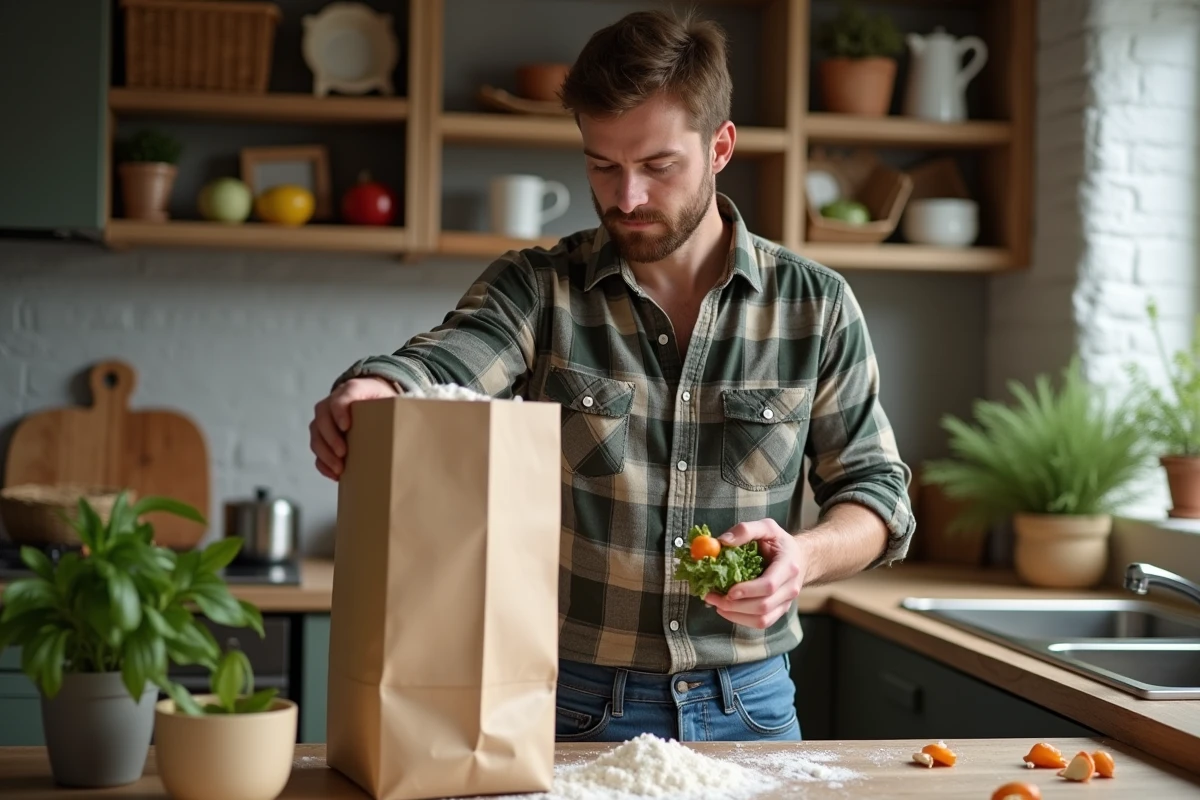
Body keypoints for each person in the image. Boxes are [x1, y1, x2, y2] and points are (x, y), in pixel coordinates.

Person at [309, 9, 915, 743]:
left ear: (720, 147)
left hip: (750, 706)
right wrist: (381, 388)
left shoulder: (816, 305)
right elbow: (451, 358)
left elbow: (877, 495)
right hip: (572, 703)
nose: (626, 197)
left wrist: (806, 556)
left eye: (658, 166)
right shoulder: (539, 289)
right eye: (602, 164)